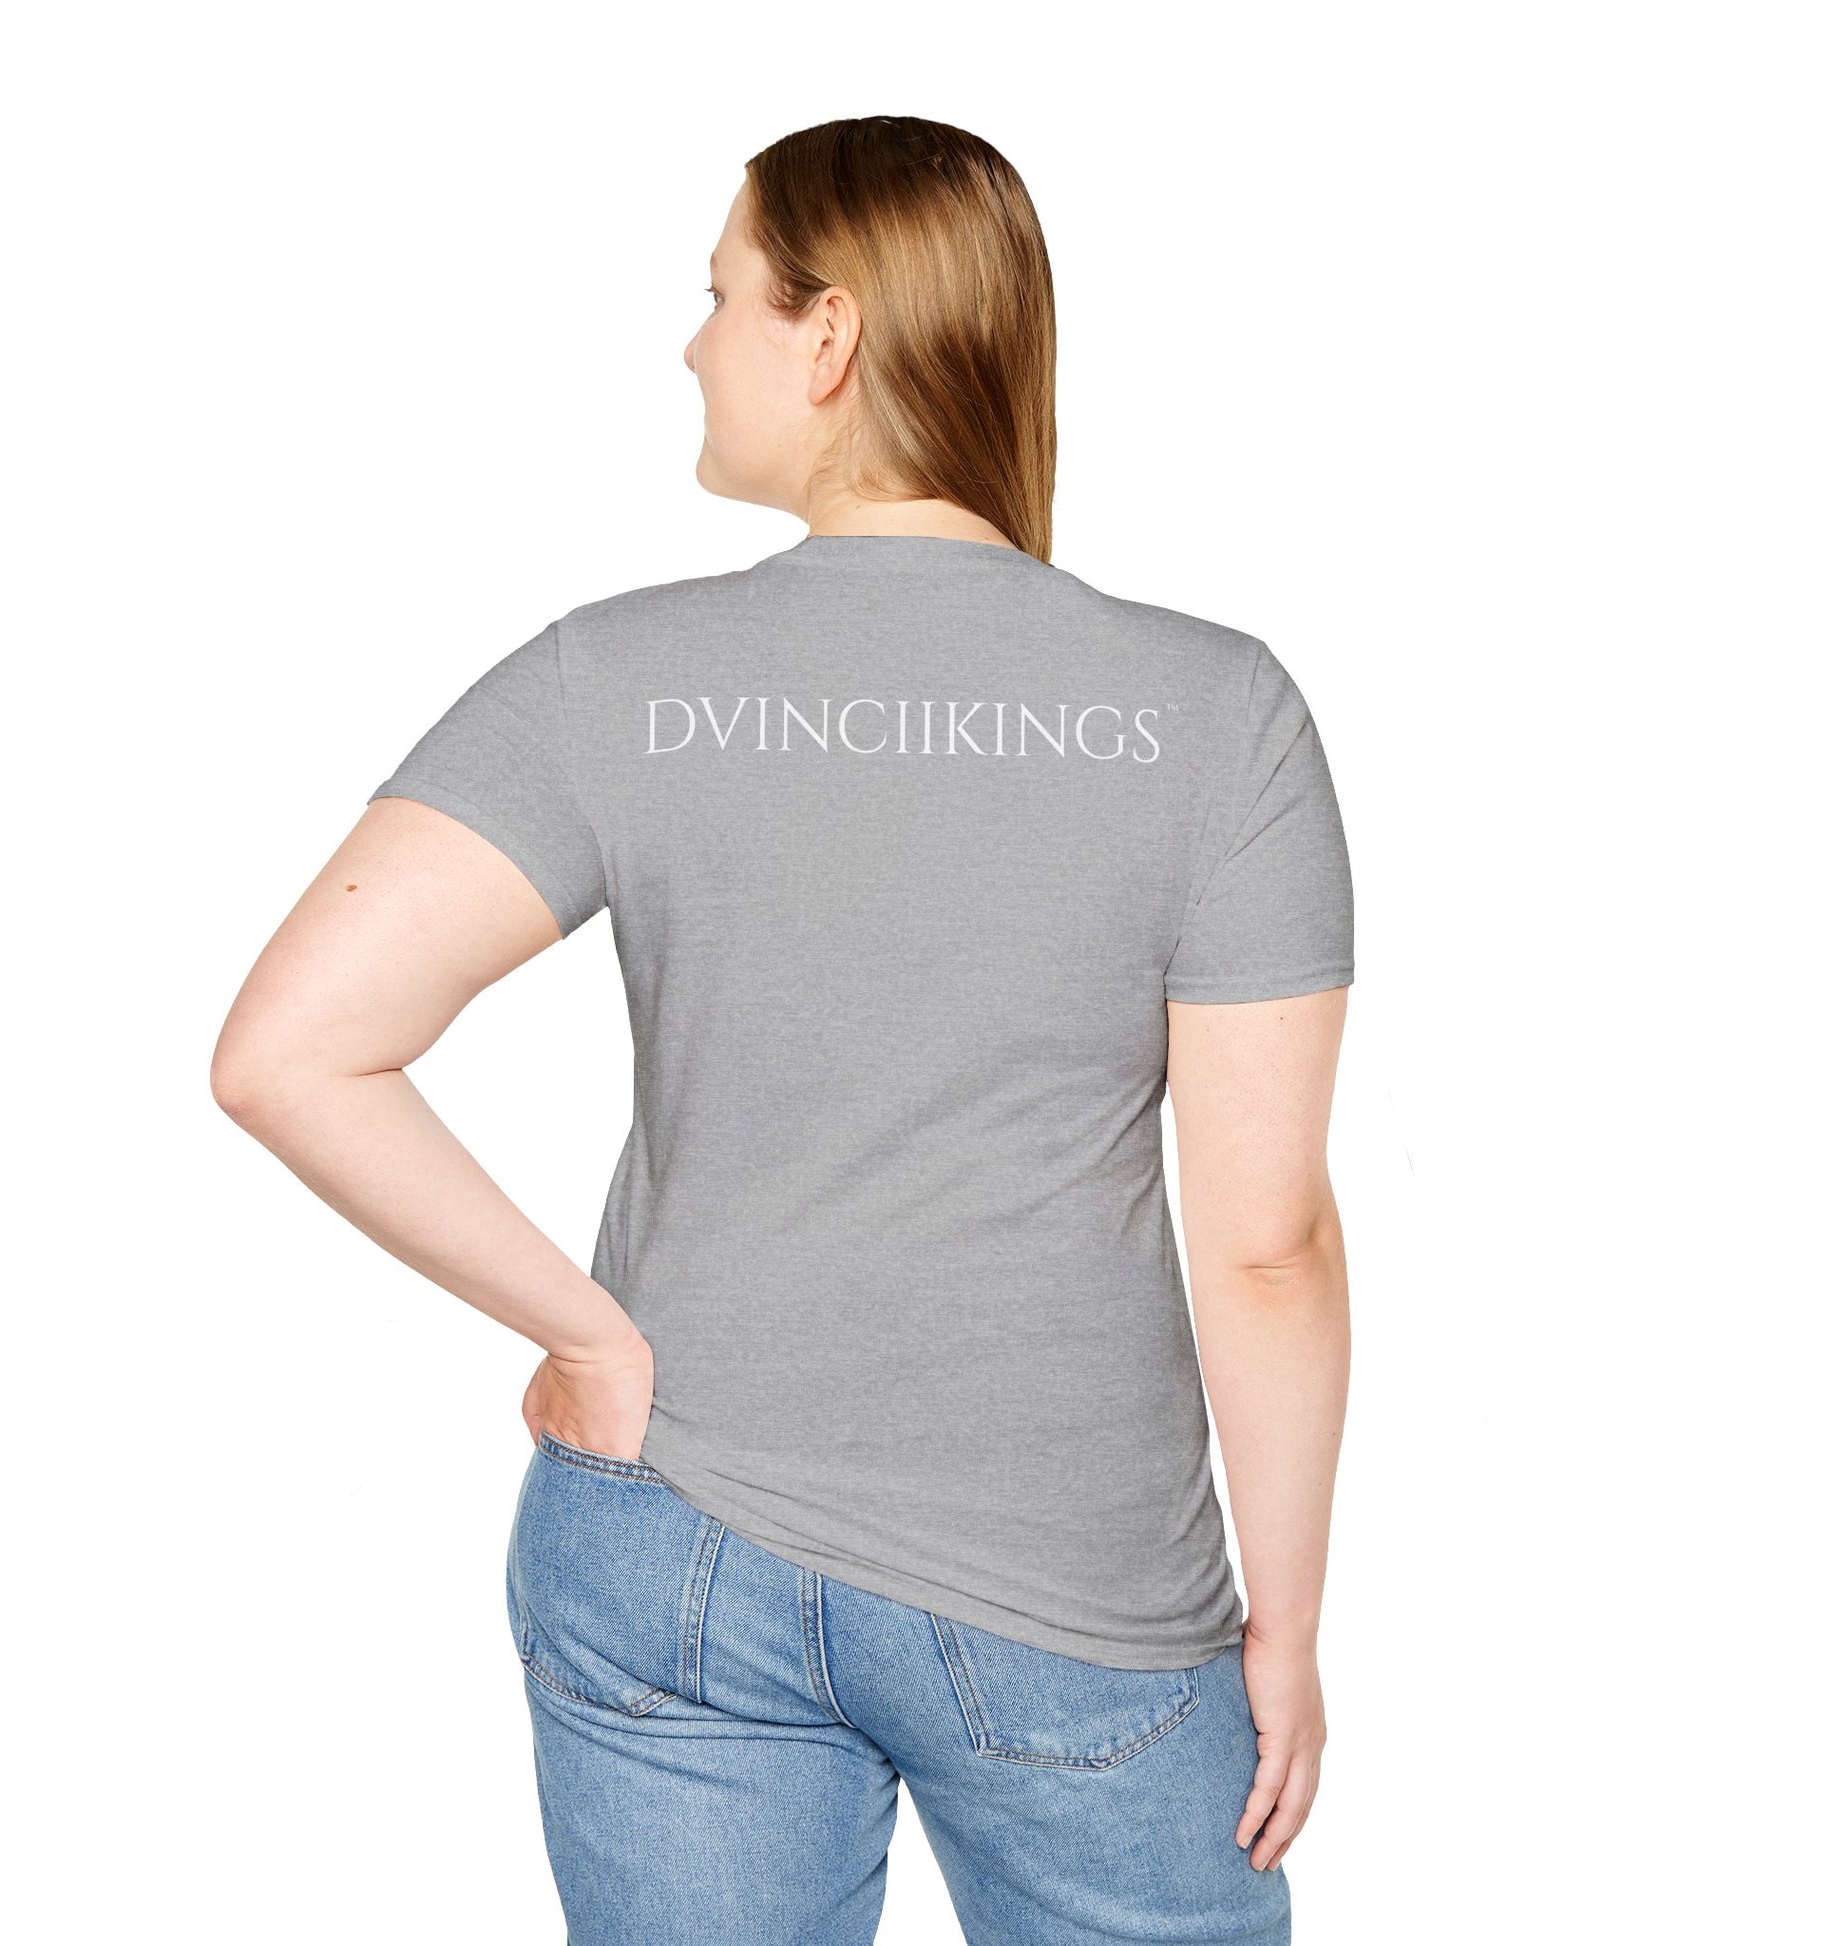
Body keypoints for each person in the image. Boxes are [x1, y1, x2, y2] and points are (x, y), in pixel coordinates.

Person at [212, 114, 1354, 1946]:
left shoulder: (613, 676)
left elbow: (290, 1048)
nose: (691, 345)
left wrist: (585, 1332)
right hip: (1079, 1595)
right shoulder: (1216, 712)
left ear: (829, 334)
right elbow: (1265, 1241)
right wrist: (1281, 1627)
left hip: (672, 1541)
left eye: (721, 294)